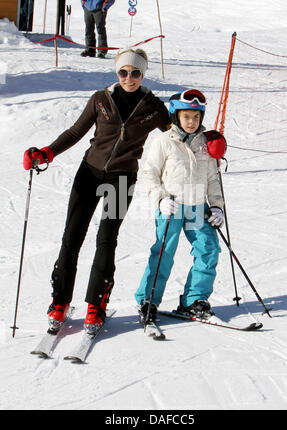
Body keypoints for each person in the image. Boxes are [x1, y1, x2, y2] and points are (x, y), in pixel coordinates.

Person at [23, 48, 170, 332]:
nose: (129, 78)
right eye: (124, 72)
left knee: (106, 239)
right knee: (72, 236)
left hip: (121, 179)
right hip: (89, 174)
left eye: (135, 73)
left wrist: (205, 139)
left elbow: (177, 132)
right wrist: (47, 153)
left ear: (143, 74)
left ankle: (96, 304)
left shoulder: (153, 107)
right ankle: (60, 301)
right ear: (117, 73)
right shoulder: (101, 99)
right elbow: (75, 132)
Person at [134, 89, 226, 323]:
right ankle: (148, 300)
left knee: (208, 250)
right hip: (172, 206)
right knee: (164, 252)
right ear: (175, 116)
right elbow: (149, 173)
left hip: (197, 205)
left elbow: (213, 179)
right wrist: (160, 198)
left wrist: (217, 207)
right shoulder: (164, 141)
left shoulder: (206, 143)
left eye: (196, 117)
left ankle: (195, 300)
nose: (192, 122)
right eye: (187, 116)